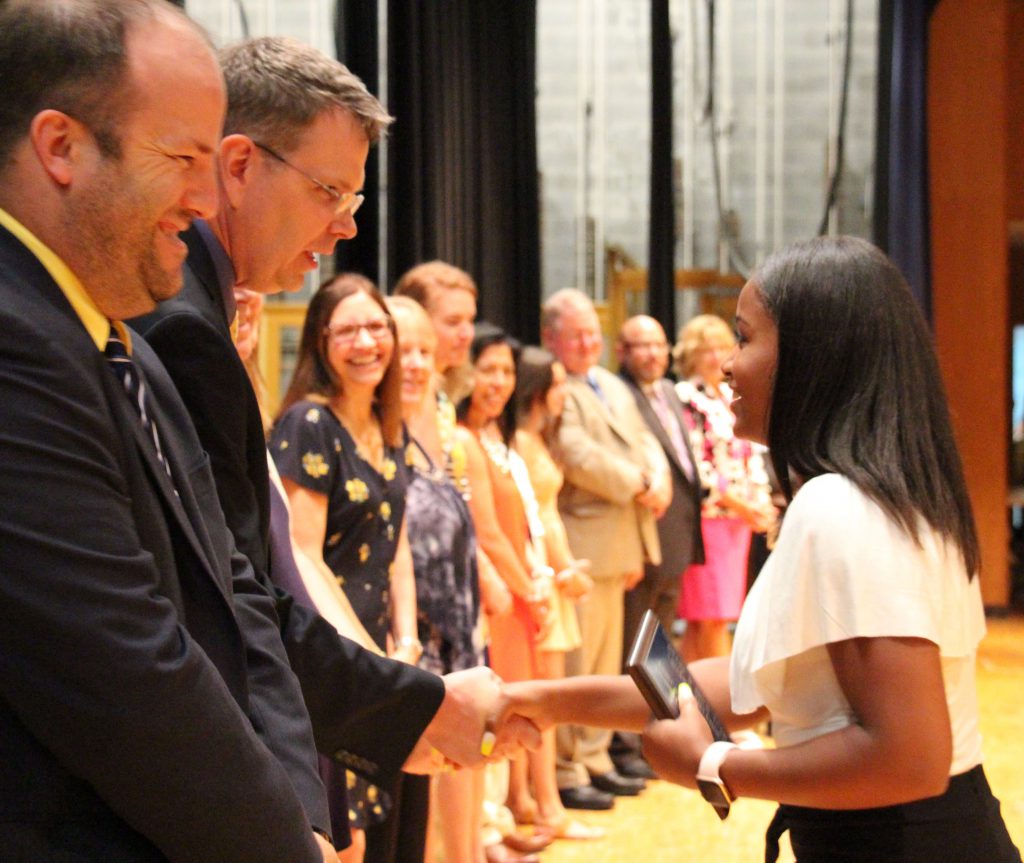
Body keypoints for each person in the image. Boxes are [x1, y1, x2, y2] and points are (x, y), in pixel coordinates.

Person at [128, 33, 534, 855]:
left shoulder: (204, 310)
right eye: (330, 191)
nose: (347, 225)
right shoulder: (179, 322)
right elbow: (226, 596)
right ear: (237, 165)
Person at [500, 236, 1022, 863]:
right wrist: (532, 701)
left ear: (811, 359)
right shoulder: (892, 492)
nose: (726, 365)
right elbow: (749, 687)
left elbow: (910, 759)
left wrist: (715, 764)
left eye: (744, 339)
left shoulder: (841, 507)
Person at [0, 1, 328, 859]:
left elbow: (234, 594)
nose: (208, 195)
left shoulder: (115, 343)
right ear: (60, 146)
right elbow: (124, 671)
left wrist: (301, 806)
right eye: (182, 157)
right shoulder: (16, 340)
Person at [270, 274, 419, 860]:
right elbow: (302, 553)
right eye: (348, 329)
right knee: (338, 836)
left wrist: (404, 639)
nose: (366, 342)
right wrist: (366, 658)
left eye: (377, 327)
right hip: (328, 657)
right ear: (320, 341)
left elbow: (396, 541)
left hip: (374, 650)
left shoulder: (391, 428)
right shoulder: (309, 424)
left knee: (368, 827)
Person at [541, 288, 669, 810]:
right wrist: (638, 482)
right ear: (552, 339)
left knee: (606, 660)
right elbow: (574, 454)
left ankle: (595, 759)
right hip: (584, 540)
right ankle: (569, 768)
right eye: (576, 335)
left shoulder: (612, 385)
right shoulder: (556, 388)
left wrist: (657, 477)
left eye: (594, 332)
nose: (588, 342)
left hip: (621, 540)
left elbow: (645, 439)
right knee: (580, 664)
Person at [389, 295, 487, 863]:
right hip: (409, 623)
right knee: (421, 770)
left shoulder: (441, 419)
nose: (418, 362)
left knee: (468, 746)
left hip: (457, 613)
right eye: (407, 350)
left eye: (426, 350)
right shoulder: (363, 426)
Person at [511, 346, 603, 840]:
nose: (565, 392)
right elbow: (528, 522)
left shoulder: (533, 440)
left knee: (546, 692)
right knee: (542, 698)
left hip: (553, 565)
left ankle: (532, 799)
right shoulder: (522, 442)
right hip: (542, 570)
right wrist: (556, 570)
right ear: (538, 389)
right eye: (559, 383)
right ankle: (543, 803)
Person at [613, 315, 705, 777]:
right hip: (644, 542)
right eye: (640, 346)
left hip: (677, 538)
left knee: (659, 650)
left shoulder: (670, 391)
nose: (652, 354)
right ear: (621, 351)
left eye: (658, 344)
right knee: (632, 648)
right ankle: (627, 746)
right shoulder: (619, 397)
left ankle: (654, 738)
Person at [673, 314, 775, 662]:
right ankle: (717, 703)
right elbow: (695, 466)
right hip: (710, 518)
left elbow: (750, 453)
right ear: (691, 355)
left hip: (737, 521)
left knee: (713, 617)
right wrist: (738, 504)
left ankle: (683, 696)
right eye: (707, 350)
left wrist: (758, 504)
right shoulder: (687, 397)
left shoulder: (726, 396)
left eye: (722, 347)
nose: (717, 357)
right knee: (709, 617)